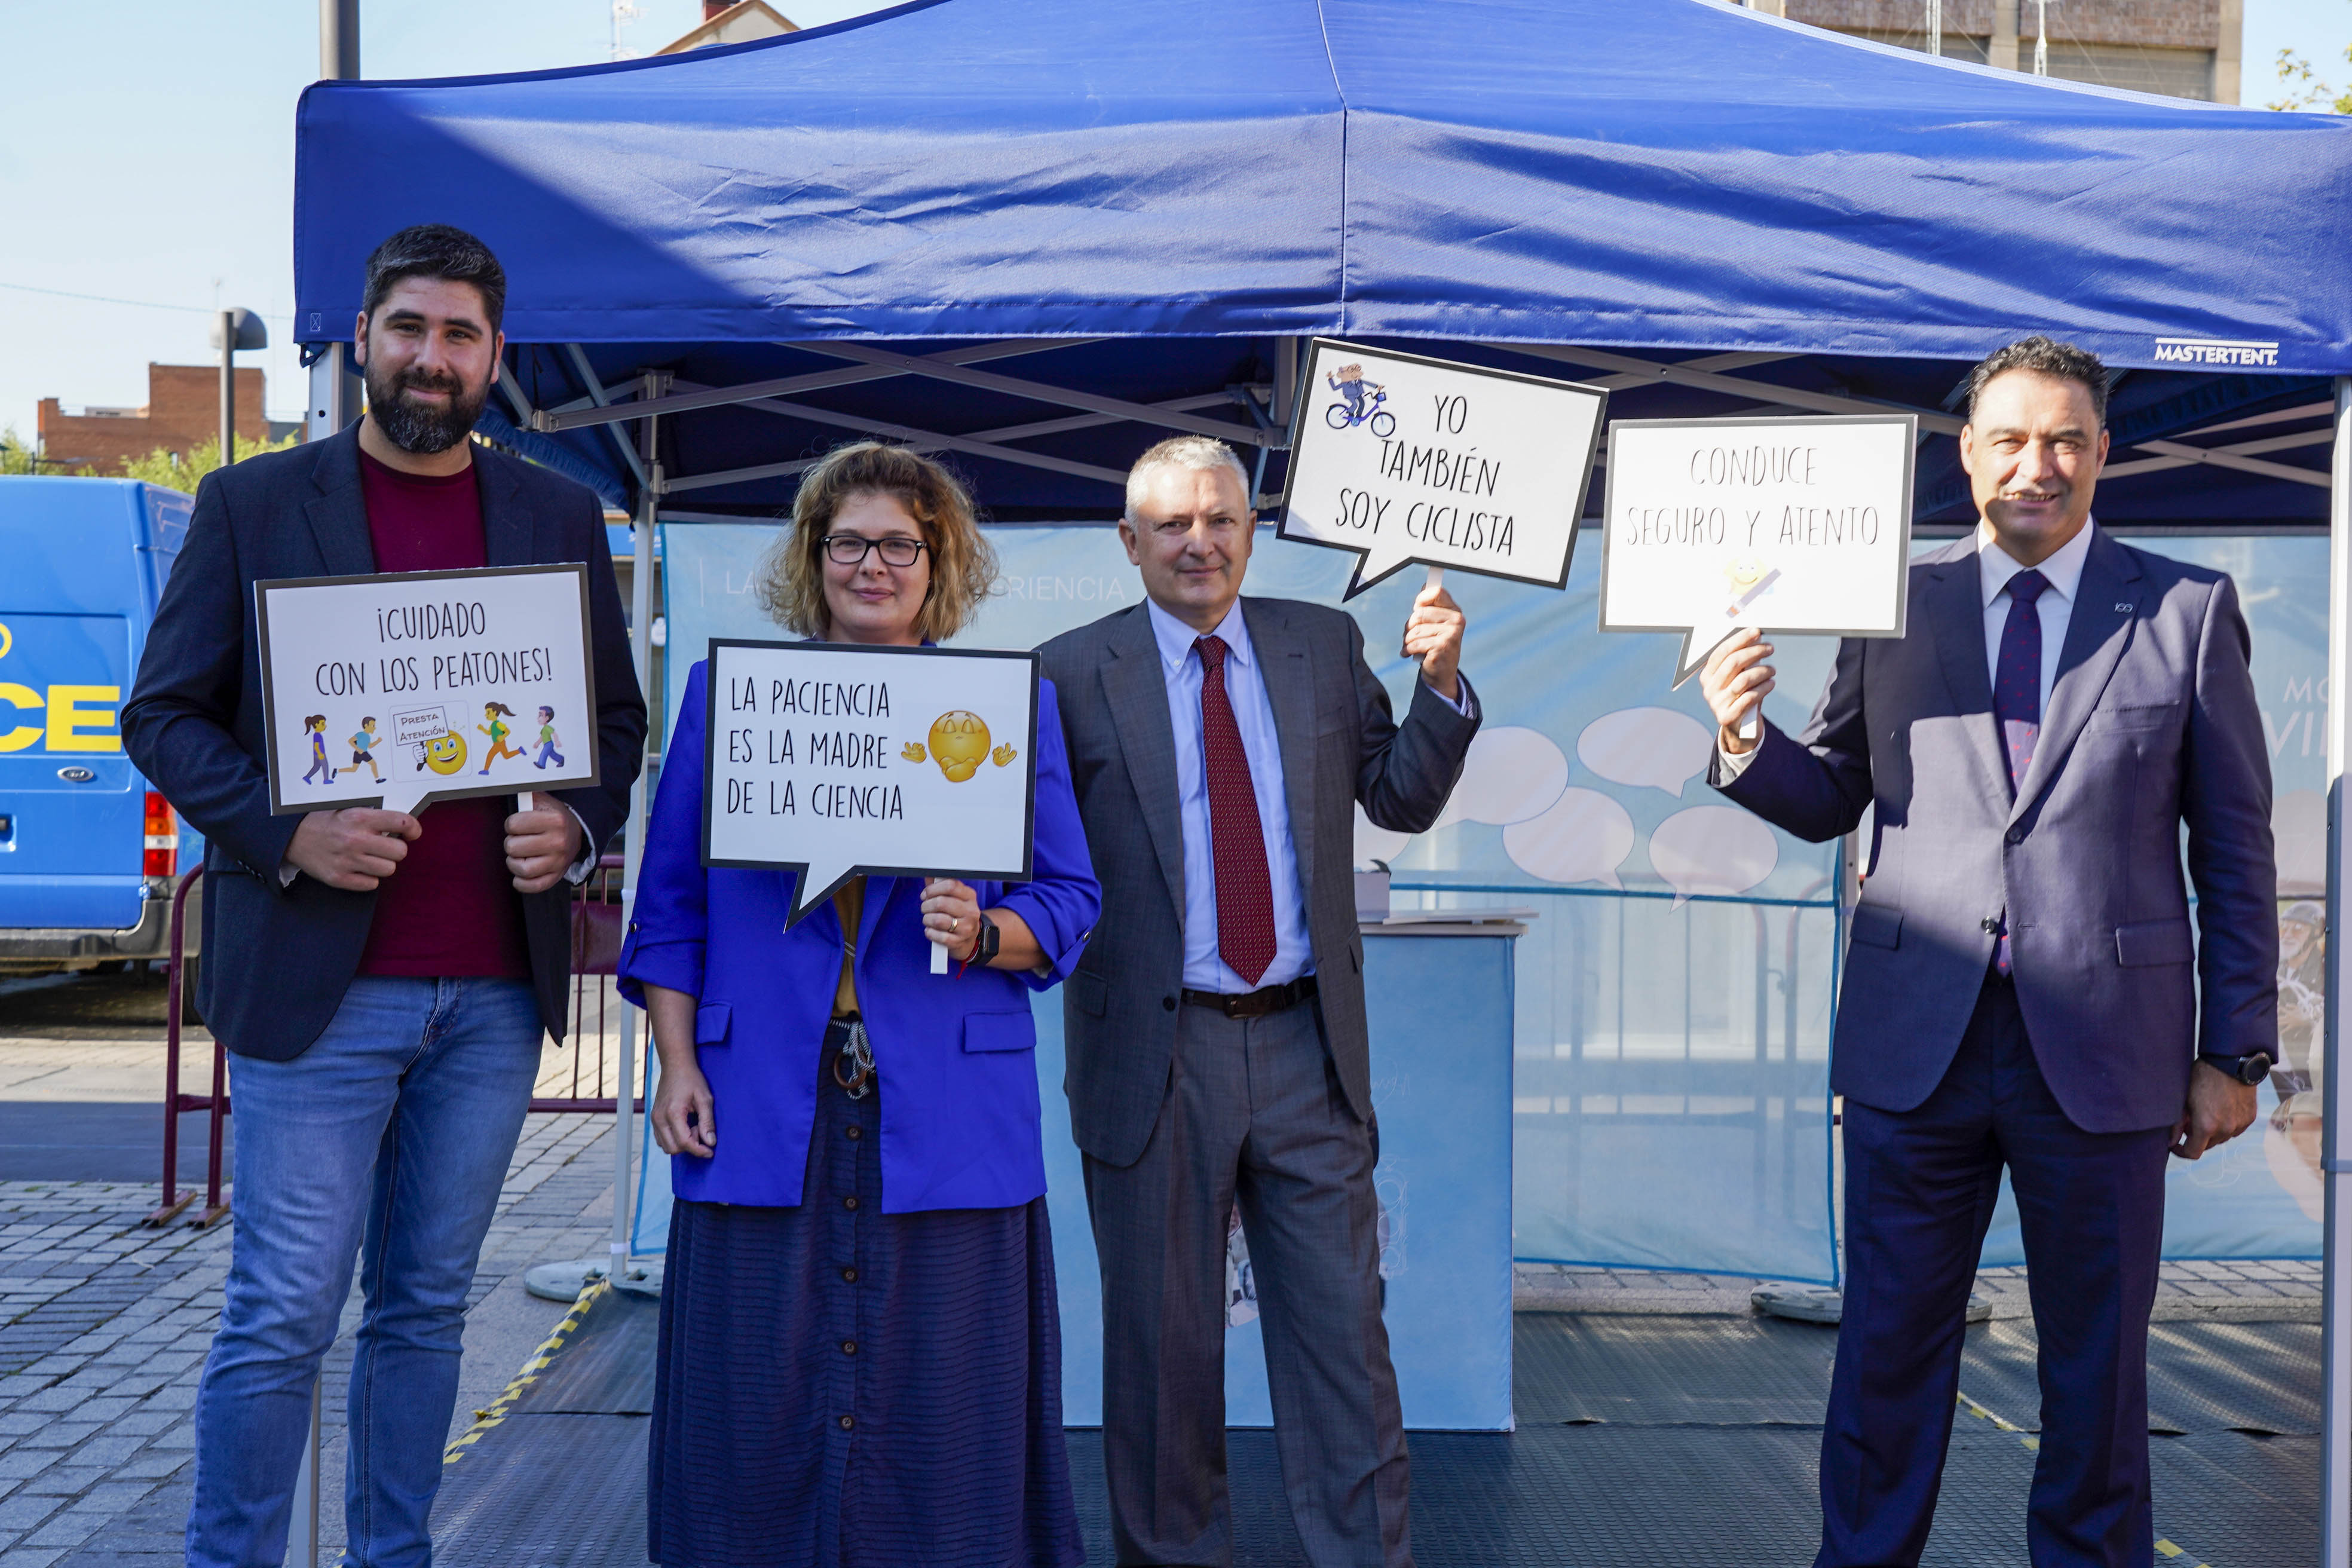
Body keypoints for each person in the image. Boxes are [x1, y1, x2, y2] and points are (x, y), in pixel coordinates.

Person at [1699, 336, 2276, 1568]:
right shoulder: (1889, 601)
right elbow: (1832, 793)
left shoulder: (2185, 610)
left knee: (2098, 1376)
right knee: (1885, 1362)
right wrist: (1743, 734)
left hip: (2110, 1062)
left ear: (2105, 452)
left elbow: (2234, 848)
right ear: (1965, 455)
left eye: (2066, 438)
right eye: (2010, 437)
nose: (2039, 463)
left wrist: (2237, 1049)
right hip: (1919, 1051)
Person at [121, 223, 645, 1568]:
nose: (432, 356)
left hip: (488, 993)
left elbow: (613, 722)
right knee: (284, 1312)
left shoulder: (554, 515)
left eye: (459, 334)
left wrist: (577, 830)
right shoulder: (251, 503)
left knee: (424, 1309)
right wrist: (290, 833)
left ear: (497, 359)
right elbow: (166, 717)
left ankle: (390, 1555)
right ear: (366, 338)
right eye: (408, 327)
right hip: (318, 988)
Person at [620, 440, 1099, 1568]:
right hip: (755, 1094)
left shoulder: (1009, 704)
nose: (871, 563)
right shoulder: (725, 699)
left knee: (946, 1404)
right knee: (751, 1395)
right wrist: (675, 1061)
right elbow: (670, 903)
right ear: (812, 557)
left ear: (939, 561)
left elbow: (1072, 899)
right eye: (848, 542)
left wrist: (987, 930)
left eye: (898, 542)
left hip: (947, 1100)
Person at [1038, 434, 1479, 1568]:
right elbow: (1034, 863)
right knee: (1161, 1358)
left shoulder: (1321, 643)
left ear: (1249, 528)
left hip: (1306, 1048)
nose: (1201, 540)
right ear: (1129, 542)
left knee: (1344, 1348)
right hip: (1153, 1055)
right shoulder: (1064, 672)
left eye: (1222, 518)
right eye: (1174, 524)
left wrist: (1441, 688)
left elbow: (1396, 795)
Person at [476, 699, 524, 771]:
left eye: (488, 713)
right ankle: (519, 751)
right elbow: (489, 733)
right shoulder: (493, 725)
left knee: (491, 755)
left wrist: (502, 737)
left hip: (500, 743)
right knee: (506, 756)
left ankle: (486, 770)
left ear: (495, 712)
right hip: (497, 744)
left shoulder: (498, 724)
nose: (486, 715)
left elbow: (508, 731)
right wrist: (482, 729)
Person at [531, 704, 565, 769]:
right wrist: (537, 743)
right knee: (552, 755)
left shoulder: (547, 728)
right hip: (547, 744)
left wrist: (557, 742)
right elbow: (542, 738)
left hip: (549, 744)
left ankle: (541, 764)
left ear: (547, 718)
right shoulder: (544, 729)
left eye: (541, 716)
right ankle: (561, 759)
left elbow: (554, 734)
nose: (538, 718)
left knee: (544, 754)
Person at [350, 716, 383, 782]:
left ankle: (377, 780)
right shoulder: (361, 734)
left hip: (364, 753)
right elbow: (350, 741)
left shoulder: (367, 736)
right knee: (354, 770)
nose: (375, 728)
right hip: (358, 754)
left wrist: (377, 741)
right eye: (373, 726)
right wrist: (358, 749)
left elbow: (370, 746)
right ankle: (337, 770)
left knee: (374, 764)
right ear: (366, 726)